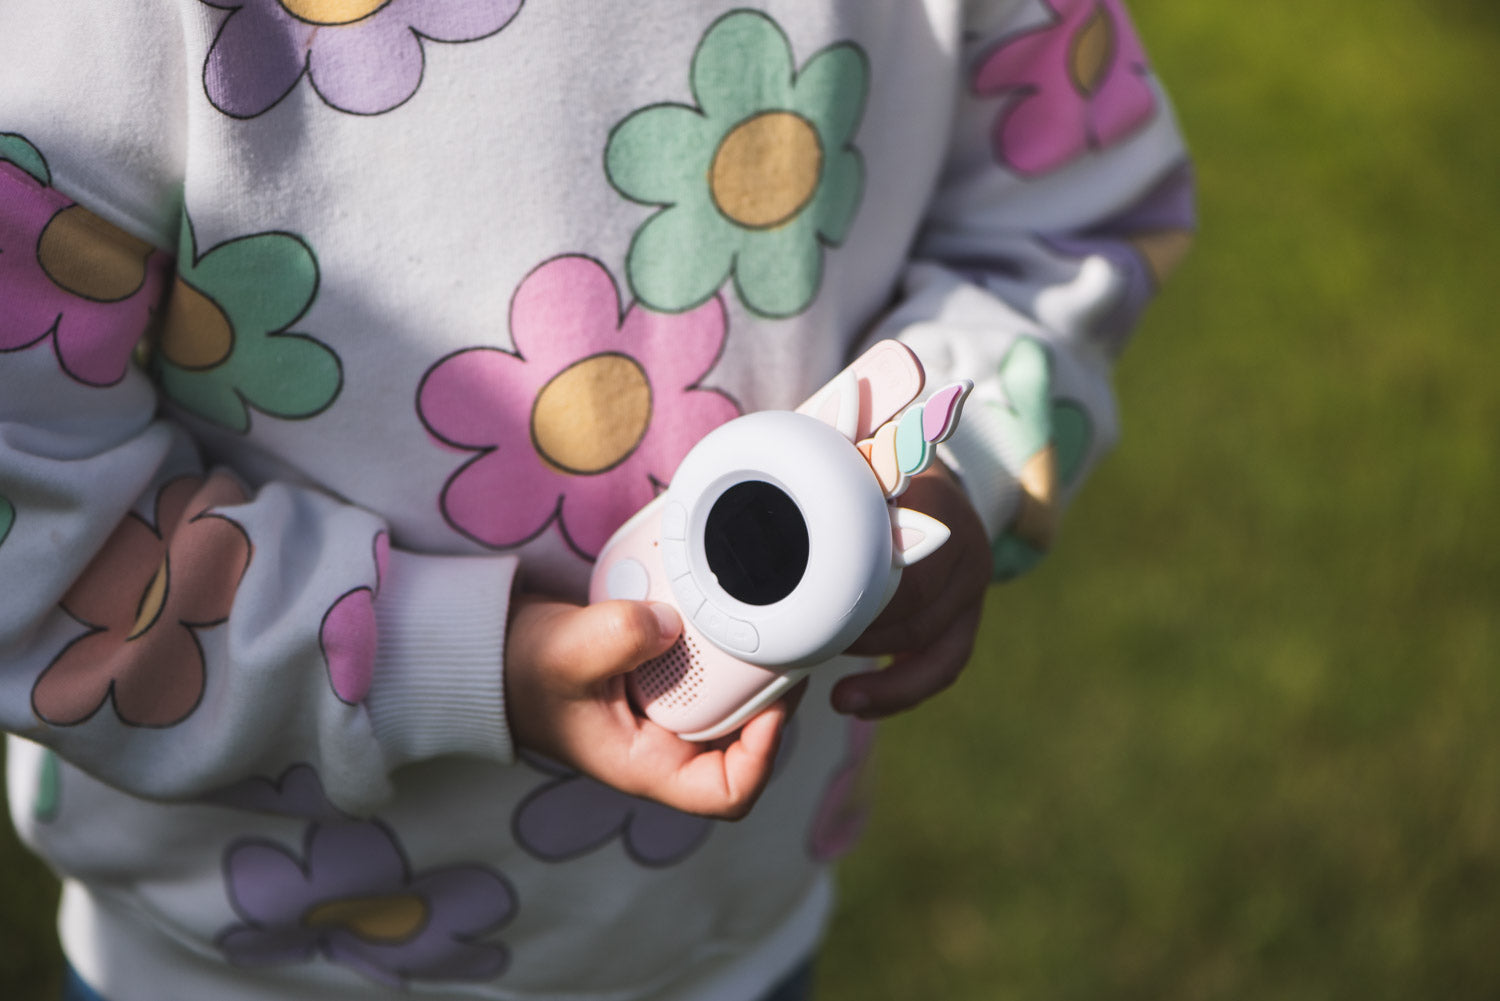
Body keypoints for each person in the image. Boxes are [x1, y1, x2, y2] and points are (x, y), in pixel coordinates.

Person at [0, 0, 1194, 998]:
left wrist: (945, 463)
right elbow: (34, 518)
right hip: (241, 959)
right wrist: (456, 657)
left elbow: (1070, 213)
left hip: (723, 938)